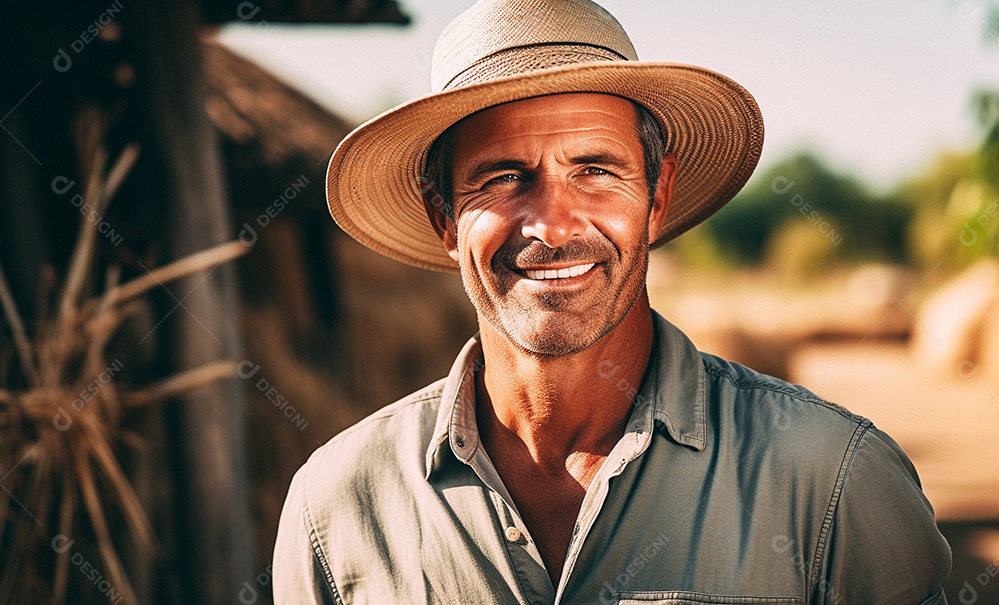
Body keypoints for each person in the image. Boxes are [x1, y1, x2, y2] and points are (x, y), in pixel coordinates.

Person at [273, 0, 952, 603]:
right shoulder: (336, 507)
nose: (553, 225)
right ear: (444, 217)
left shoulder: (832, 480)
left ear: (657, 198)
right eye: (503, 177)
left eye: (595, 170)